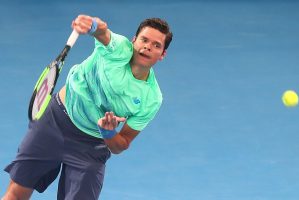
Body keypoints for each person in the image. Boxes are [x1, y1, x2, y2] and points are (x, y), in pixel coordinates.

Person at [2, 14, 173, 200]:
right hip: (54, 122)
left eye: (156, 45)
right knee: (15, 195)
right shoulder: (118, 50)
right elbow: (103, 32)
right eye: (144, 40)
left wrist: (109, 133)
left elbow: (121, 144)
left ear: (162, 54)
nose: (147, 46)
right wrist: (92, 25)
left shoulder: (151, 98)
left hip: (91, 146)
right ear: (134, 41)